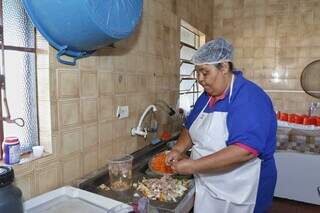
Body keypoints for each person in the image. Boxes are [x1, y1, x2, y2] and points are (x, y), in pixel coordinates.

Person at [166, 37, 277, 213]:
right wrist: (178, 149)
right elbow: (190, 128)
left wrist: (193, 166)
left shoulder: (249, 97)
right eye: (197, 72)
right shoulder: (206, 96)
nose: (200, 79)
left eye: (205, 72)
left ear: (224, 67)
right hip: (209, 182)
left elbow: (245, 150)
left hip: (243, 188)